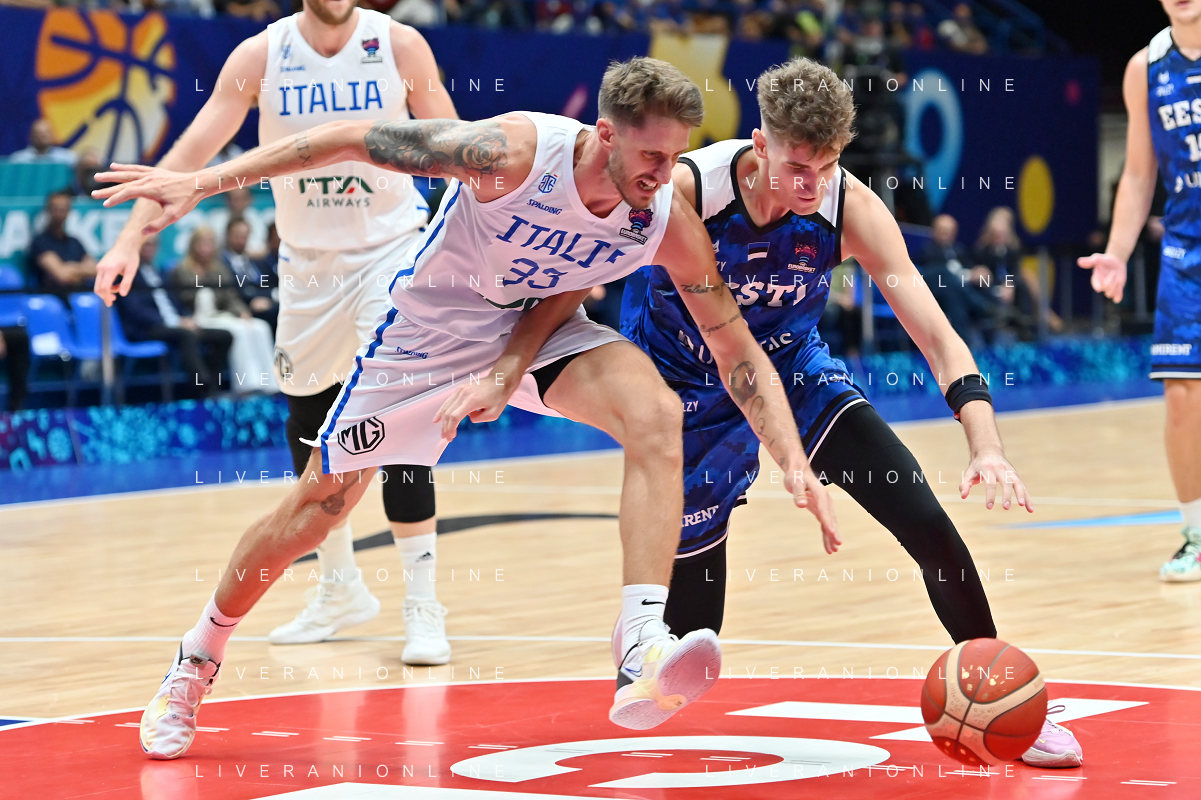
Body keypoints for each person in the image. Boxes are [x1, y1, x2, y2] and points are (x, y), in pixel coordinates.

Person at [95, 55, 838, 758]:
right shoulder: (510, 155)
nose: (662, 174)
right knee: (318, 508)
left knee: (655, 412)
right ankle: (196, 658)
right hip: (430, 336)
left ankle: (640, 642)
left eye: (674, 157)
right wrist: (204, 182)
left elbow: (734, 345)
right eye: (650, 155)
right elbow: (352, 139)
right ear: (606, 134)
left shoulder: (659, 215)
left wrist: (791, 459)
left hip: (536, 335)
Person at [620, 56, 1082, 769]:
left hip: (794, 372)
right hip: (686, 390)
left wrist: (985, 443)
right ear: (760, 143)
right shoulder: (689, 190)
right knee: (692, 642)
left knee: (926, 522)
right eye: (797, 167)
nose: (812, 185)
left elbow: (937, 337)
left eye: (828, 166)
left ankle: (1005, 700)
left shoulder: (850, 208)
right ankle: (637, 649)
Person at [93, 0, 460, 664]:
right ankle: (339, 587)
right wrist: (127, 241)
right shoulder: (262, 55)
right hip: (306, 267)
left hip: (391, 251)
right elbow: (188, 159)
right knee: (311, 423)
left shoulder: (399, 44)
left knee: (397, 414)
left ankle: (423, 602)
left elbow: (460, 148)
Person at [1080, 2, 1201, 585]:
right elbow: (1137, 172)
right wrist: (1118, 251)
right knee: (1181, 396)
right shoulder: (1145, 67)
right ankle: (1196, 536)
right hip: (1186, 255)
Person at [115, 235, 233, 399]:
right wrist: (176, 322)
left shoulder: (160, 273)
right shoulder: (125, 275)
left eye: (153, 244)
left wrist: (187, 318)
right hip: (147, 328)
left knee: (224, 336)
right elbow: (135, 311)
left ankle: (213, 387)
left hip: (174, 324)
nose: (149, 248)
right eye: (145, 244)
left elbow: (176, 302)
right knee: (186, 335)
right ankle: (202, 386)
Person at [169, 227, 279, 395]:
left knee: (259, 327)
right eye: (202, 243)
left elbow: (230, 296)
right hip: (198, 318)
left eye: (209, 243)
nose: (205, 248)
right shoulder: (181, 270)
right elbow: (180, 299)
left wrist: (241, 311)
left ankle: (271, 383)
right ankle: (247, 385)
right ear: (193, 245)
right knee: (238, 332)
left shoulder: (219, 269)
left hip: (222, 314)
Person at [920, 213, 998, 346]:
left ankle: (994, 316)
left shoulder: (959, 251)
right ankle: (987, 308)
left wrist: (977, 273)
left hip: (961, 291)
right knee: (952, 289)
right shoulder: (927, 251)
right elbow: (931, 275)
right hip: (938, 292)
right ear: (934, 231)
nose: (946, 235)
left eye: (949, 231)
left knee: (974, 283)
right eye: (942, 231)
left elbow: (969, 269)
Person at [973, 206, 1037, 339]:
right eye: (996, 235)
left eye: (1002, 234)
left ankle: (1026, 328)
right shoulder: (982, 251)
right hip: (990, 285)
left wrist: (1009, 284)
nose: (999, 238)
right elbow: (980, 271)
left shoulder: (1013, 250)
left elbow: (1015, 271)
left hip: (1009, 285)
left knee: (1022, 285)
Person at [29, 191, 96, 295]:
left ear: (69, 211)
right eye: (56, 209)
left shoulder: (75, 242)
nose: (59, 213)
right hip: (53, 297)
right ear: (48, 210)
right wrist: (82, 270)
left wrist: (71, 268)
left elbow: (95, 270)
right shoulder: (40, 242)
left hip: (81, 294)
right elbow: (62, 275)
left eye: (63, 209)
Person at [221, 217, 278, 331]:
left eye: (245, 236)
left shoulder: (255, 260)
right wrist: (252, 300)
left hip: (266, 301)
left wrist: (269, 297)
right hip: (243, 306)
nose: (241, 240)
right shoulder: (221, 261)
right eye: (237, 235)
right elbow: (232, 290)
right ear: (228, 235)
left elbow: (270, 283)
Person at [7, 119, 76, 165]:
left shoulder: (67, 158)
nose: (43, 137)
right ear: (31, 136)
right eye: (39, 133)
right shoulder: (18, 160)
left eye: (46, 133)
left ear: (52, 135)